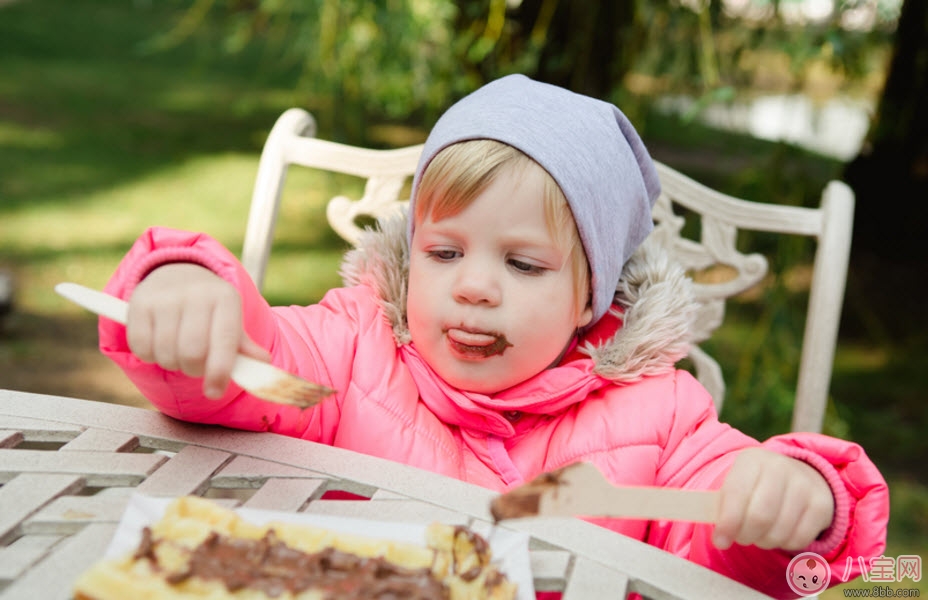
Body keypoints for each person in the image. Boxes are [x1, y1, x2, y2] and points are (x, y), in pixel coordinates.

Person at [99, 74, 888, 598]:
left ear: (590, 296)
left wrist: (805, 506)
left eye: (522, 262)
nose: (474, 285)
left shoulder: (664, 417)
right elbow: (245, 373)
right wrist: (184, 290)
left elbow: (739, 554)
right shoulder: (353, 348)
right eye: (443, 253)